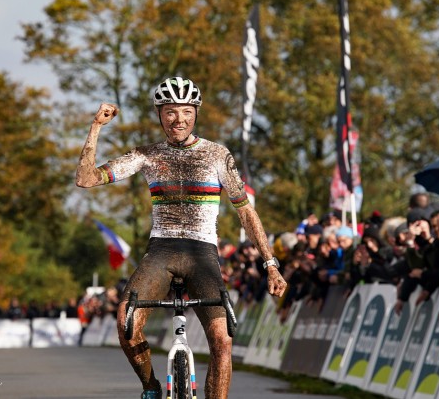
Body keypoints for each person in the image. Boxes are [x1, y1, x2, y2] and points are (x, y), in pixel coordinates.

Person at [75, 77, 286, 399]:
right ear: (160, 115)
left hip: (202, 255)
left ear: (196, 113)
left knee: (222, 340)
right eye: (170, 112)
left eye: (186, 111)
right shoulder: (146, 155)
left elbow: (246, 212)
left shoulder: (217, 155)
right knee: (125, 322)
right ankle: (151, 388)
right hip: (162, 250)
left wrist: (271, 264)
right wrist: (95, 128)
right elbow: (86, 179)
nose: (179, 119)